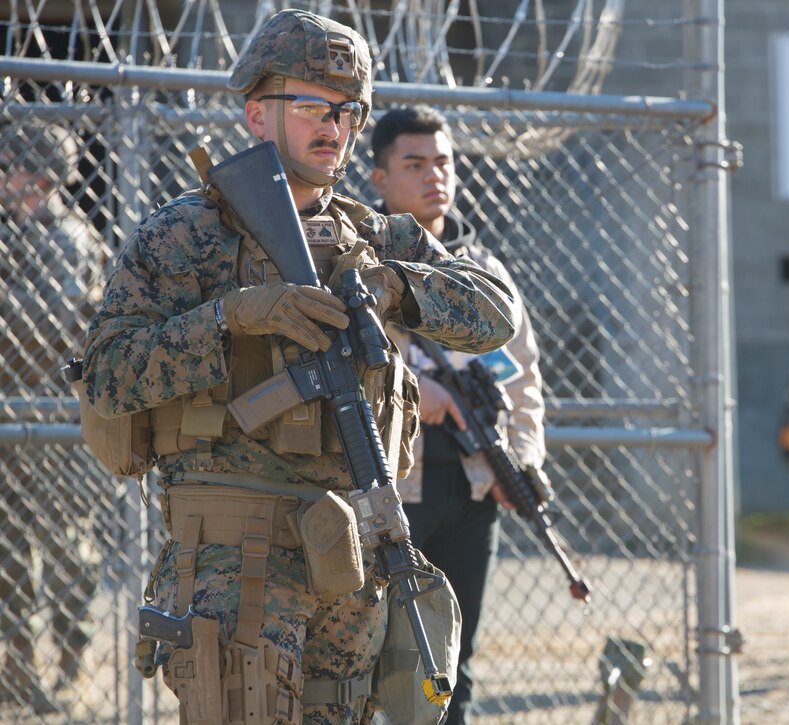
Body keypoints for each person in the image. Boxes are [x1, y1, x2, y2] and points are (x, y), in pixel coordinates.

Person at [82, 10, 516, 725]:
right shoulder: (187, 233)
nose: (333, 126)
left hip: (351, 559)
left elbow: (495, 312)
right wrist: (231, 317)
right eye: (312, 105)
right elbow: (107, 373)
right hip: (235, 560)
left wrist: (394, 285)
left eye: (347, 111)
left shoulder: (375, 233)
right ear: (257, 115)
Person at [370, 106, 547, 725]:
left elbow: (521, 380)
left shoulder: (483, 273)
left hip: (473, 485)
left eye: (442, 162)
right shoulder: (360, 264)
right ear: (379, 179)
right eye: (413, 164)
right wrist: (417, 390)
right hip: (389, 489)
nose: (433, 176)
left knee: (454, 660)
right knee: (378, 656)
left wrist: (520, 462)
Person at [0, 123, 104, 712]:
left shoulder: (67, 237)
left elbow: (33, 332)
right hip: (10, 416)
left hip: (55, 419)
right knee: (8, 550)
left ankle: (72, 660)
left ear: (40, 179)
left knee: (67, 548)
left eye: (9, 167)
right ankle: (16, 666)